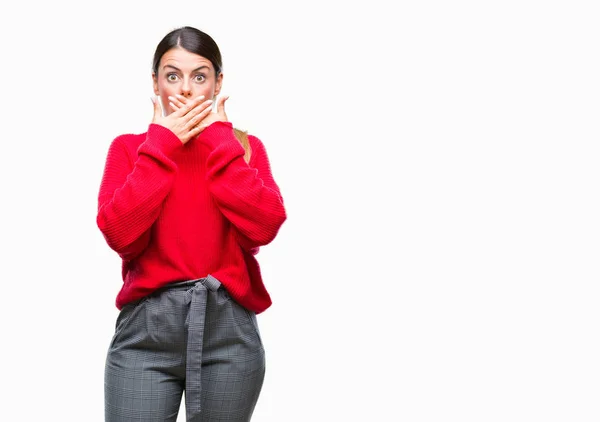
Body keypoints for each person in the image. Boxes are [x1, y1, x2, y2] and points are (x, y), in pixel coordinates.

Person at [97, 25, 287, 422]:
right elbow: (120, 234)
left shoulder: (242, 148)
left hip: (228, 333)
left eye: (199, 76)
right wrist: (161, 145)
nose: (185, 89)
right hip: (145, 333)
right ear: (155, 82)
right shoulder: (130, 149)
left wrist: (221, 140)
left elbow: (264, 227)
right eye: (172, 76)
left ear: (218, 83)